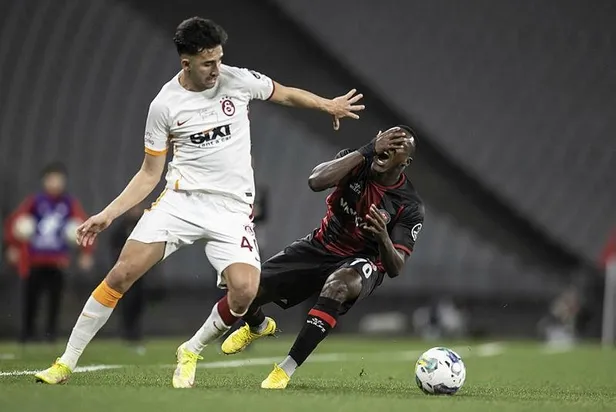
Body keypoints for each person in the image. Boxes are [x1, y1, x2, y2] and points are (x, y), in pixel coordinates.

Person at [34, 16, 364, 386]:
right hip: (180, 202)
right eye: (208, 63)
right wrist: (109, 214)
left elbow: (284, 93)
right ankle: (65, 363)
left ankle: (192, 347)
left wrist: (328, 105)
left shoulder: (237, 80)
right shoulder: (164, 106)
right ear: (186, 62)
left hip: (231, 208)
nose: (216, 69)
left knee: (244, 292)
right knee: (121, 273)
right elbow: (149, 173)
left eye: (219, 59)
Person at [220, 126, 425, 389]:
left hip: (363, 259)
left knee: (338, 286)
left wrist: (383, 237)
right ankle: (258, 326)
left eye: (397, 146)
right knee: (245, 289)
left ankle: (284, 370)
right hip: (321, 244)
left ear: (406, 162)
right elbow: (315, 181)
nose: (388, 147)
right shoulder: (355, 161)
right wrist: (366, 149)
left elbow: (395, 267)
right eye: (386, 140)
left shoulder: (409, 204)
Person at [3, 162, 93, 343]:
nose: (55, 183)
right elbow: (15, 221)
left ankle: (51, 334)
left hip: (57, 261)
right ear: (44, 181)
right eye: (51, 179)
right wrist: (12, 245)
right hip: (35, 260)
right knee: (31, 298)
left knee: (55, 299)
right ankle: (28, 333)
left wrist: (86, 252)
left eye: (58, 179)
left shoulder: (69, 203)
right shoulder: (35, 201)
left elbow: (83, 225)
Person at [109, 203, 148, 352]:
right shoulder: (121, 228)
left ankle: (136, 330)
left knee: (138, 301)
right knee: (126, 301)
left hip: (141, 272)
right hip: (125, 272)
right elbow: (114, 247)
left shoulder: (144, 225)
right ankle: (126, 330)